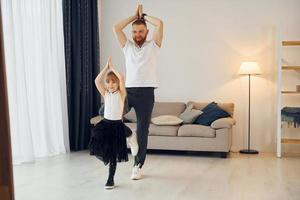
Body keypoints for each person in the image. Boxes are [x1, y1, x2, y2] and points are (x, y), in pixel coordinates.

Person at [112, 4, 163, 180]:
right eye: (134, 32)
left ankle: (138, 165)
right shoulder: (127, 47)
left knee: (143, 131)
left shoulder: (153, 46)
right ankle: (129, 135)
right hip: (128, 92)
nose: (137, 35)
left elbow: (160, 24)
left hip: (147, 94)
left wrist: (145, 16)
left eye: (141, 32)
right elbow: (116, 28)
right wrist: (133, 17)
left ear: (147, 32)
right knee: (106, 114)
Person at [89, 57, 138, 189]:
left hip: (116, 125)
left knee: (112, 156)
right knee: (96, 147)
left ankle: (110, 179)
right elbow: (96, 81)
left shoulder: (121, 95)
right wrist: (106, 68)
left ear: (117, 84)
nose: (111, 84)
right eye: (108, 82)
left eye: (113, 82)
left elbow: (121, 78)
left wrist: (113, 69)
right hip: (105, 124)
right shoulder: (105, 94)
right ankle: (130, 134)